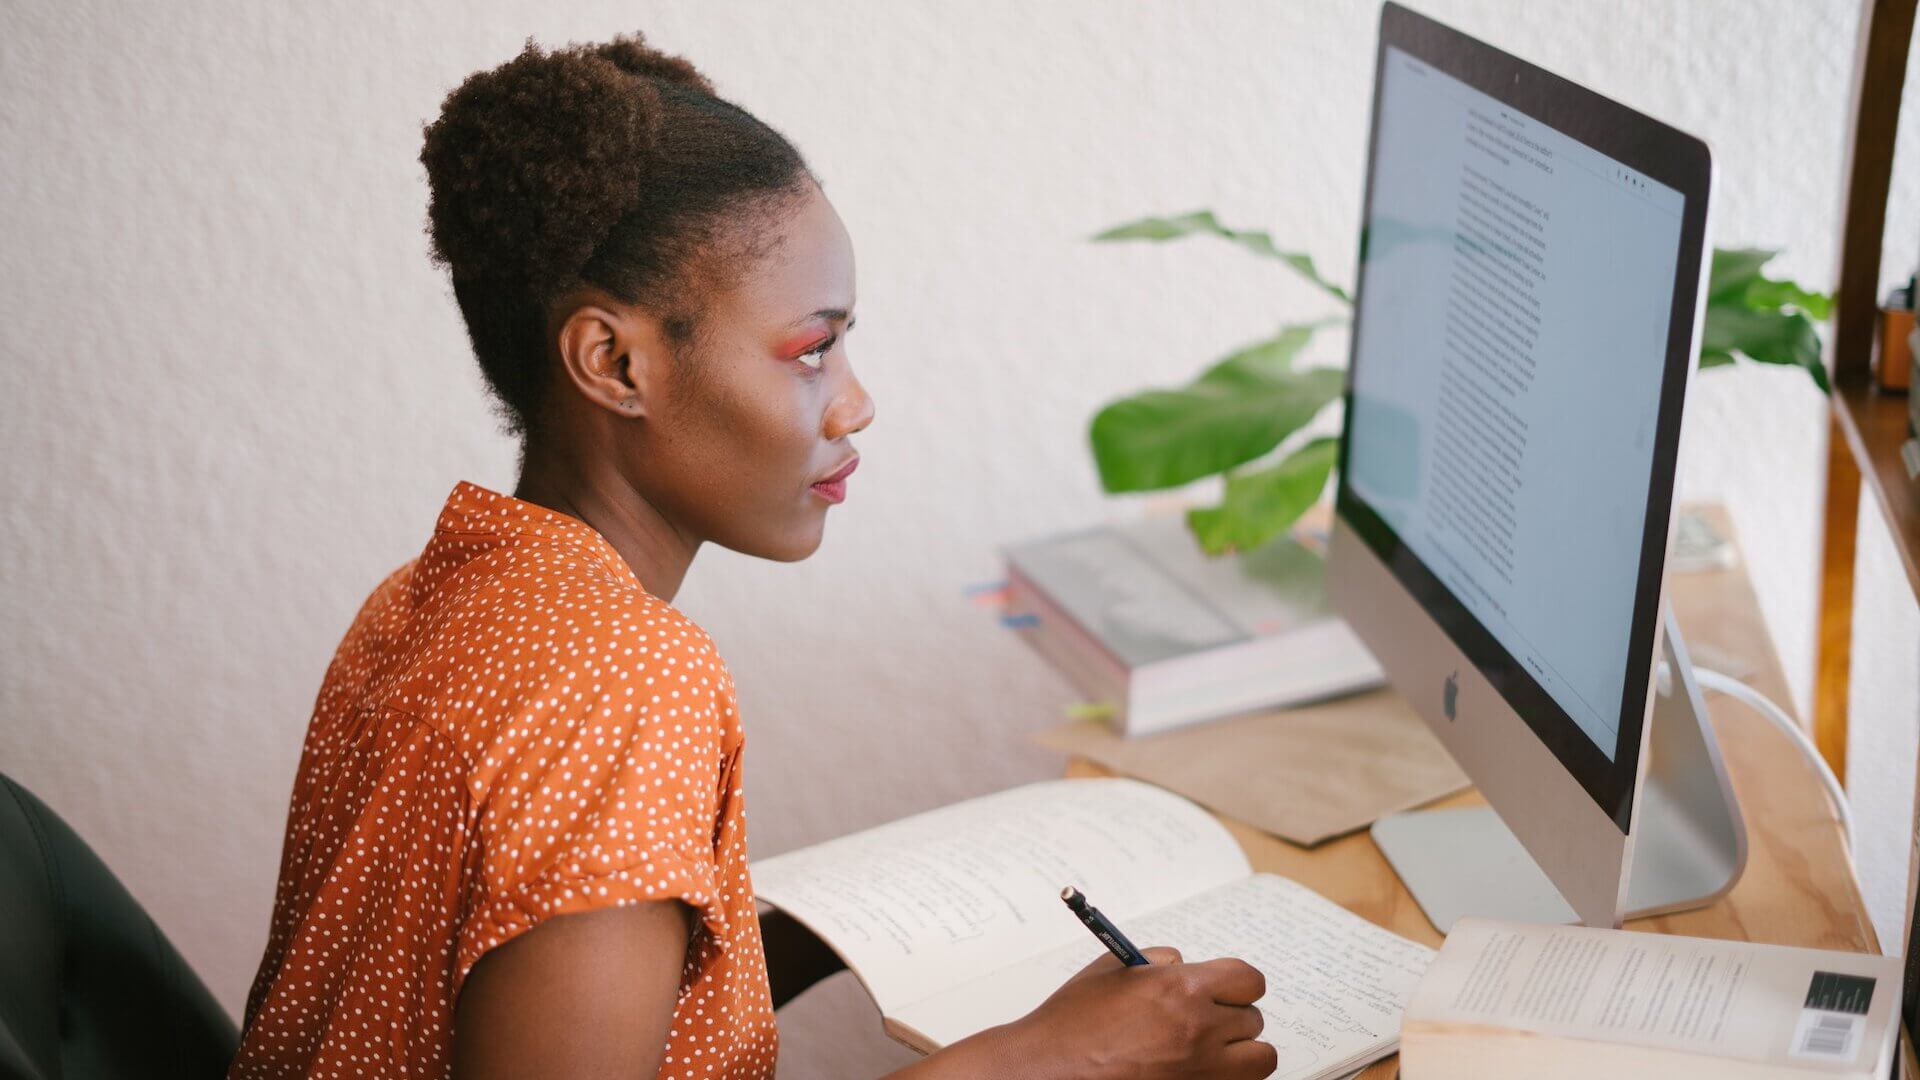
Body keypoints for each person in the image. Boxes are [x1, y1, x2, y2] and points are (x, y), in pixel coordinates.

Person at [230, 32, 1276, 1080]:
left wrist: (800, 936)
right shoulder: (627, 680)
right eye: (813, 349)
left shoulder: (427, 598)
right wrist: (1060, 1060)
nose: (857, 401)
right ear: (615, 362)